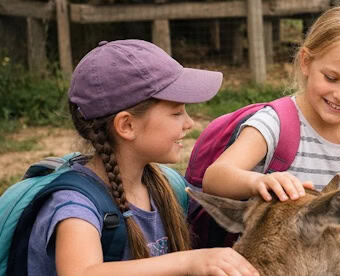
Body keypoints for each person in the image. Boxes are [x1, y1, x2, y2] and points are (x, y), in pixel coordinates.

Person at [27, 39, 257, 275]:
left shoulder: (165, 185)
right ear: (127, 125)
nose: (189, 123)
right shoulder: (75, 204)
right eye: (176, 113)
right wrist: (186, 262)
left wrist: (262, 184)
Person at [202, 5, 340, 204]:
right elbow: (215, 177)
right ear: (306, 61)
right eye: (331, 78)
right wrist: (258, 181)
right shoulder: (275, 124)